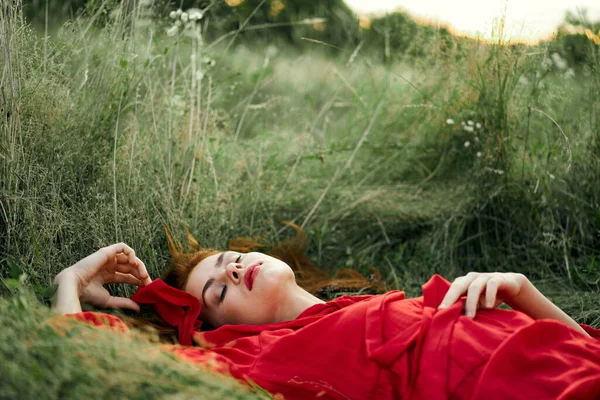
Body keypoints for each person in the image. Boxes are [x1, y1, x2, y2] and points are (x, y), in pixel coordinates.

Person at [52, 229, 600, 400]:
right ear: (232, 332)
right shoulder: (258, 357)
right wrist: (70, 281)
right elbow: (88, 352)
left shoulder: (359, 307)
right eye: (218, 293)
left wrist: (524, 292)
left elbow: (583, 348)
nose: (234, 270)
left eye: (229, 260)